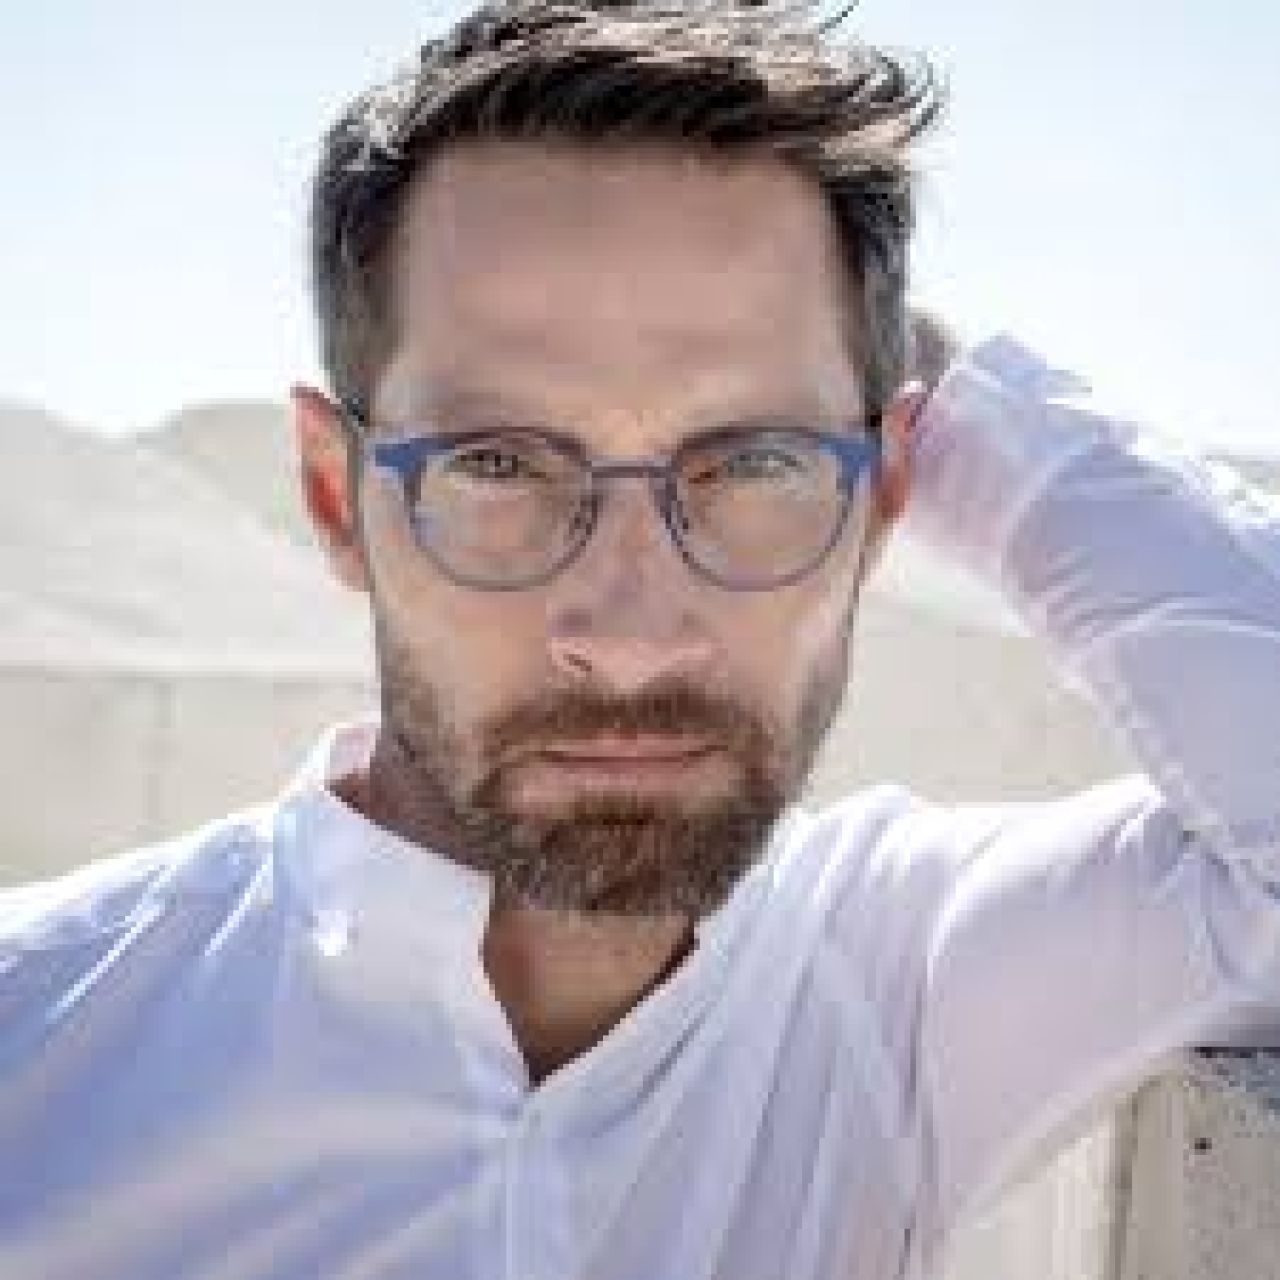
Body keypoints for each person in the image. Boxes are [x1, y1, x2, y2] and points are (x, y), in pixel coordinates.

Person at [3, 3, 1278, 1278]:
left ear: (887, 489)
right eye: (497, 462)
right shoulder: (37, 1039)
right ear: (338, 497)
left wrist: (931, 382)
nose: (629, 640)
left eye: (755, 460)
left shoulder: (901, 983)